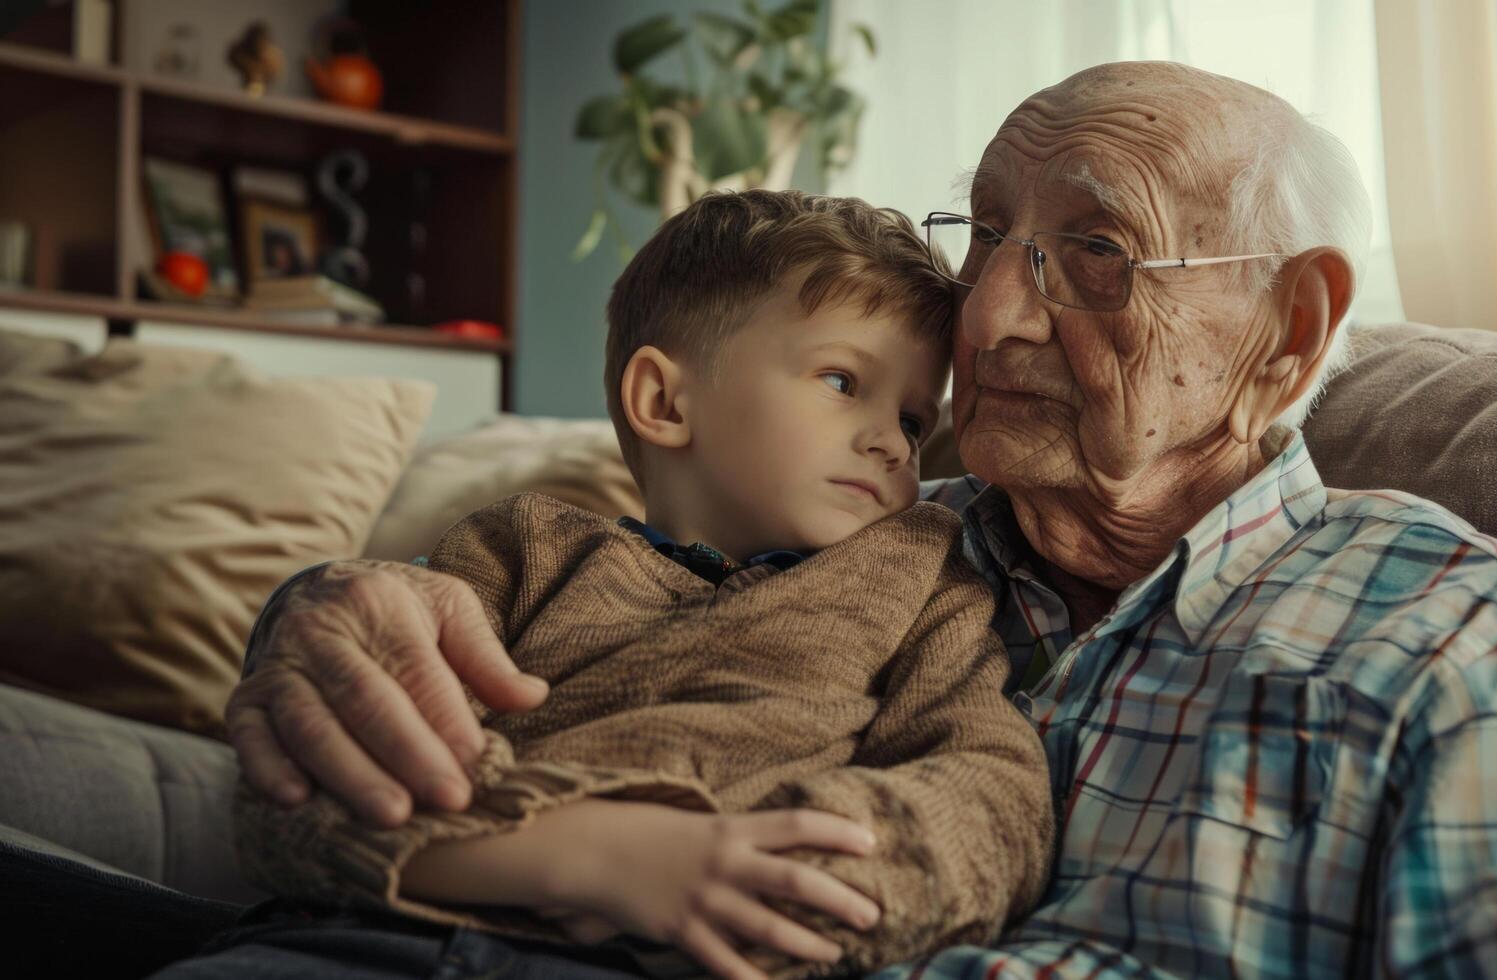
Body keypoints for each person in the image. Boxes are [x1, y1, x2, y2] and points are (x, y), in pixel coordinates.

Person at [216, 61, 1497, 977]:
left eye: (1092, 248)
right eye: (987, 234)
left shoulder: (1460, 638)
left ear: (1286, 333)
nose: (992, 309)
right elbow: (498, 606)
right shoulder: (857, 534)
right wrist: (326, 616)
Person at [165, 192, 1057, 979]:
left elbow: (996, 801)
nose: (895, 443)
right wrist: (601, 857)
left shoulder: (922, 587)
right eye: (840, 381)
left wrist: (768, 861)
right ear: (663, 402)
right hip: (350, 943)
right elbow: (298, 802)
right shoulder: (518, 552)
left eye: (911, 417)